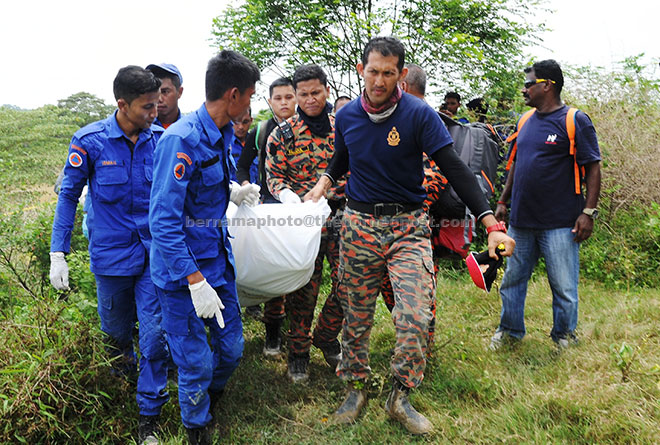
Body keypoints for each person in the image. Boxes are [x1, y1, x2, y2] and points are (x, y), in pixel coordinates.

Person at [305, 36, 515, 435]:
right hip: (359, 226)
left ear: (401, 74)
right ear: (360, 71)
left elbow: (454, 168)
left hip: (408, 227)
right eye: (373, 71)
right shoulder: (347, 116)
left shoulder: (419, 115)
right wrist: (325, 180)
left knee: (416, 315)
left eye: (388, 73)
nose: (379, 81)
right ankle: (355, 389)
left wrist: (491, 224)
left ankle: (400, 395)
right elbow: (344, 156)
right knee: (356, 314)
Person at [49, 66, 170, 445]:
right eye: (147, 107)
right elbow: (69, 195)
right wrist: (58, 252)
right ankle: (120, 396)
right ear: (122, 104)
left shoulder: (162, 138)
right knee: (116, 337)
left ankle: (149, 415)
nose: (155, 113)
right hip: (111, 257)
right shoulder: (91, 141)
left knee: (153, 337)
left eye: (158, 104)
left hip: (154, 256)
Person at [149, 50, 260, 444]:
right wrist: (194, 280)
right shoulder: (181, 141)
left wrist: (234, 191)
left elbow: (203, 193)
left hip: (217, 263)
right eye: (248, 95)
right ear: (233, 94)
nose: (250, 104)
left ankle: (210, 397)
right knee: (193, 358)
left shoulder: (225, 133)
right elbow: (163, 220)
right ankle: (197, 425)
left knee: (231, 349)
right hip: (183, 275)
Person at [490, 59, 601, 351]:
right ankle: (510, 331)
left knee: (564, 286)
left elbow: (593, 168)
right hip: (521, 222)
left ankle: (564, 335)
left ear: (547, 85)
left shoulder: (575, 120)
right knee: (512, 279)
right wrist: (503, 200)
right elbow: (516, 164)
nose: (524, 89)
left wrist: (588, 213)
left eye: (529, 83)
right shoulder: (524, 121)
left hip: (561, 223)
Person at [265, 64, 346, 383]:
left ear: (326, 90)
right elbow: (274, 176)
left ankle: (325, 335)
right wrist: (287, 196)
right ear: (296, 95)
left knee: (349, 283)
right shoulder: (283, 133)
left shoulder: (345, 126)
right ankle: (298, 353)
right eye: (303, 94)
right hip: (301, 220)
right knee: (303, 290)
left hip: (341, 215)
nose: (310, 99)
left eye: (316, 92)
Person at [236, 77, 297, 356]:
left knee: (302, 274)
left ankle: (299, 337)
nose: (284, 103)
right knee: (275, 272)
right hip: (270, 212)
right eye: (278, 98)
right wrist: (247, 188)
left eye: (289, 97)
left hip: (302, 213)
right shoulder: (260, 131)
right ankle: (272, 336)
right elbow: (243, 167)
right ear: (270, 101)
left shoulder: (309, 129)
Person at [146, 63, 184, 129]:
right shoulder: (141, 129)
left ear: (179, 92)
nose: (159, 99)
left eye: (165, 92)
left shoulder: (191, 128)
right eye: (154, 92)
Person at [229, 108, 254, 182]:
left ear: (251, 121)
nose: (241, 127)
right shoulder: (224, 146)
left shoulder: (257, 143)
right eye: (236, 122)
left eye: (245, 122)